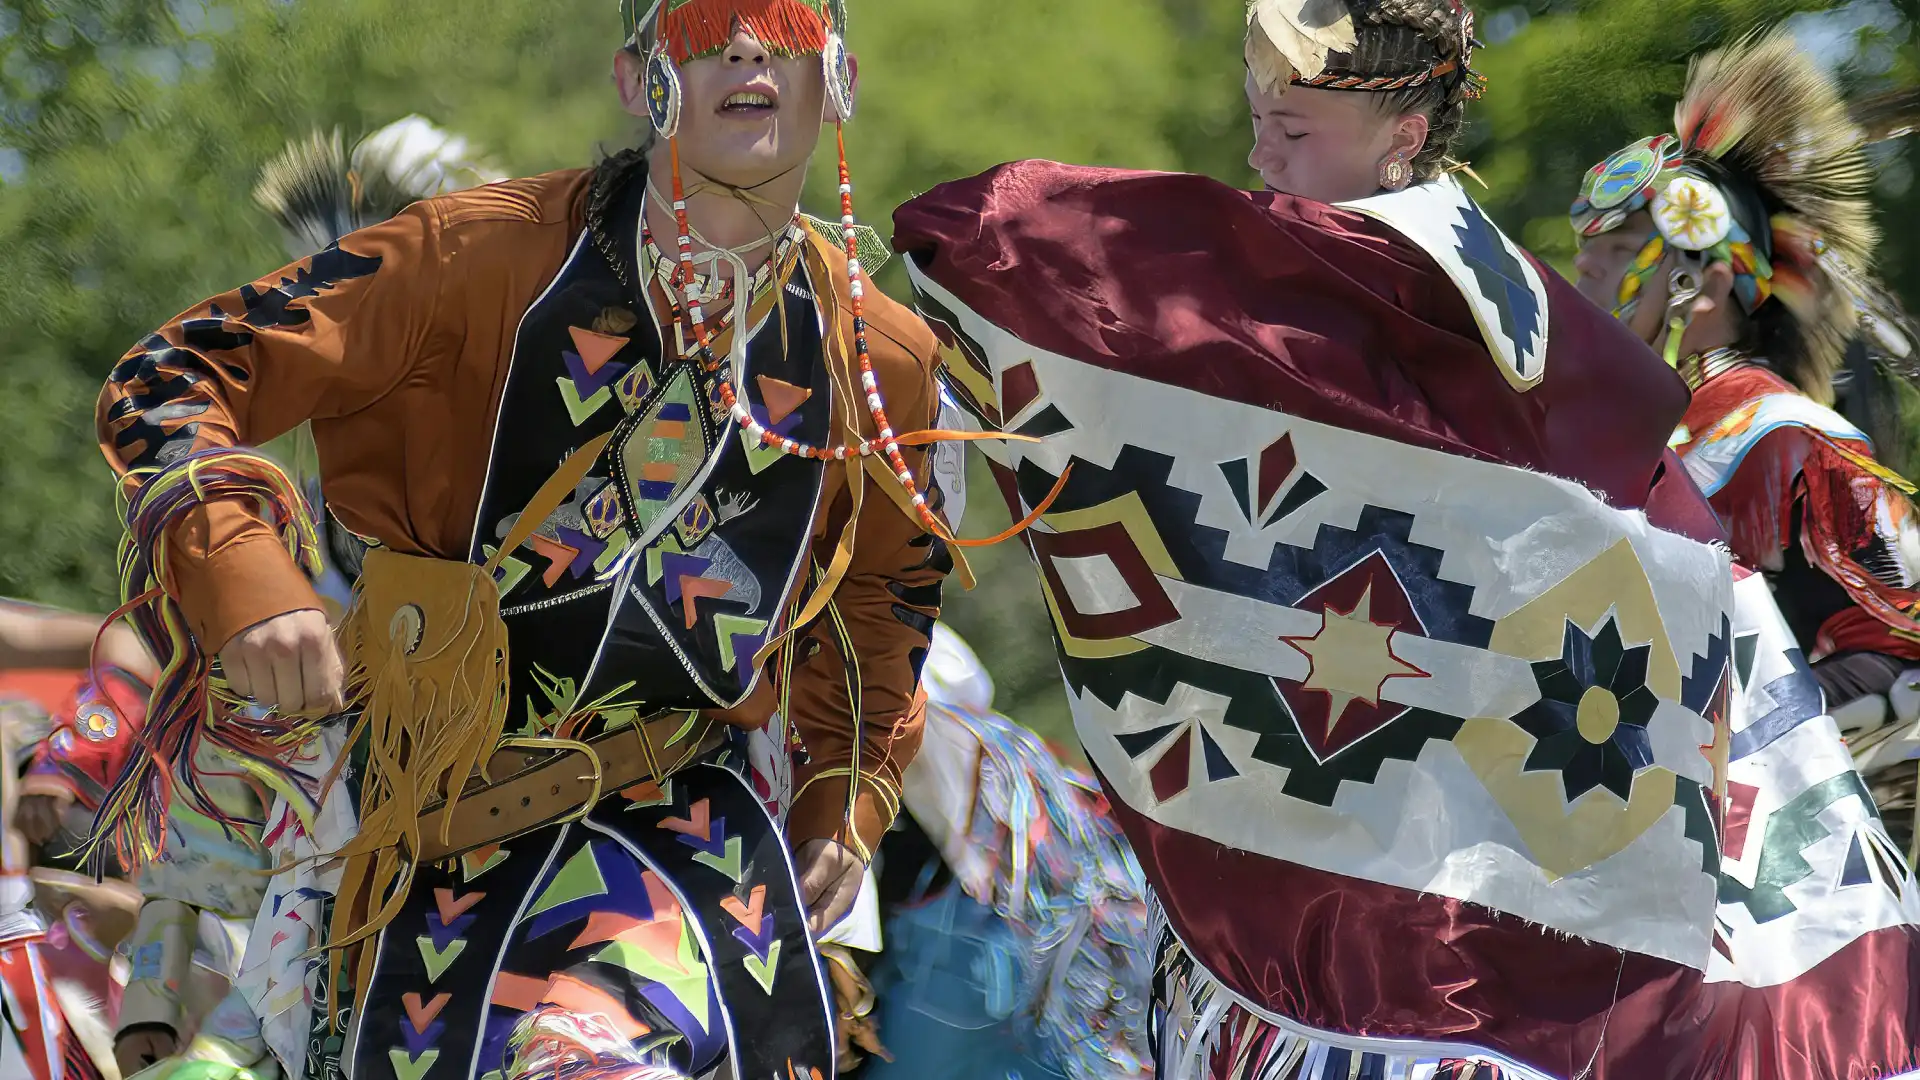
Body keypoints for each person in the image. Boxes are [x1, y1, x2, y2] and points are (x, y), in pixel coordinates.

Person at [893, 3, 1919, 1077]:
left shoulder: (1768, 437)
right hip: (1443, 817)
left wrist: (1732, 732)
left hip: (1623, 827)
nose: (1593, 262)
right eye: (1259, 112)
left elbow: (1889, 639)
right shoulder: (1420, 313)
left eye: (1623, 244)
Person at [90, 2, 952, 1078]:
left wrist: (844, 801)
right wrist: (248, 578)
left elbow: (888, 601)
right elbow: (171, 377)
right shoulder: (473, 256)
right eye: (702, 24)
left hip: (689, 846)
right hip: (426, 842)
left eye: (781, 24)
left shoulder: (881, 356)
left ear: (842, 82)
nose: (743, 48)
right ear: (639, 81)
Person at [1570, 32, 1920, 743]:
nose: (1583, 275)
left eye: (1615, 250)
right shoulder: (1587, 434)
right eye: (1586, 253)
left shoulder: (1787, 436)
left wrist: (1720, 739)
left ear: (1702, 283)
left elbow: (1902, 654)